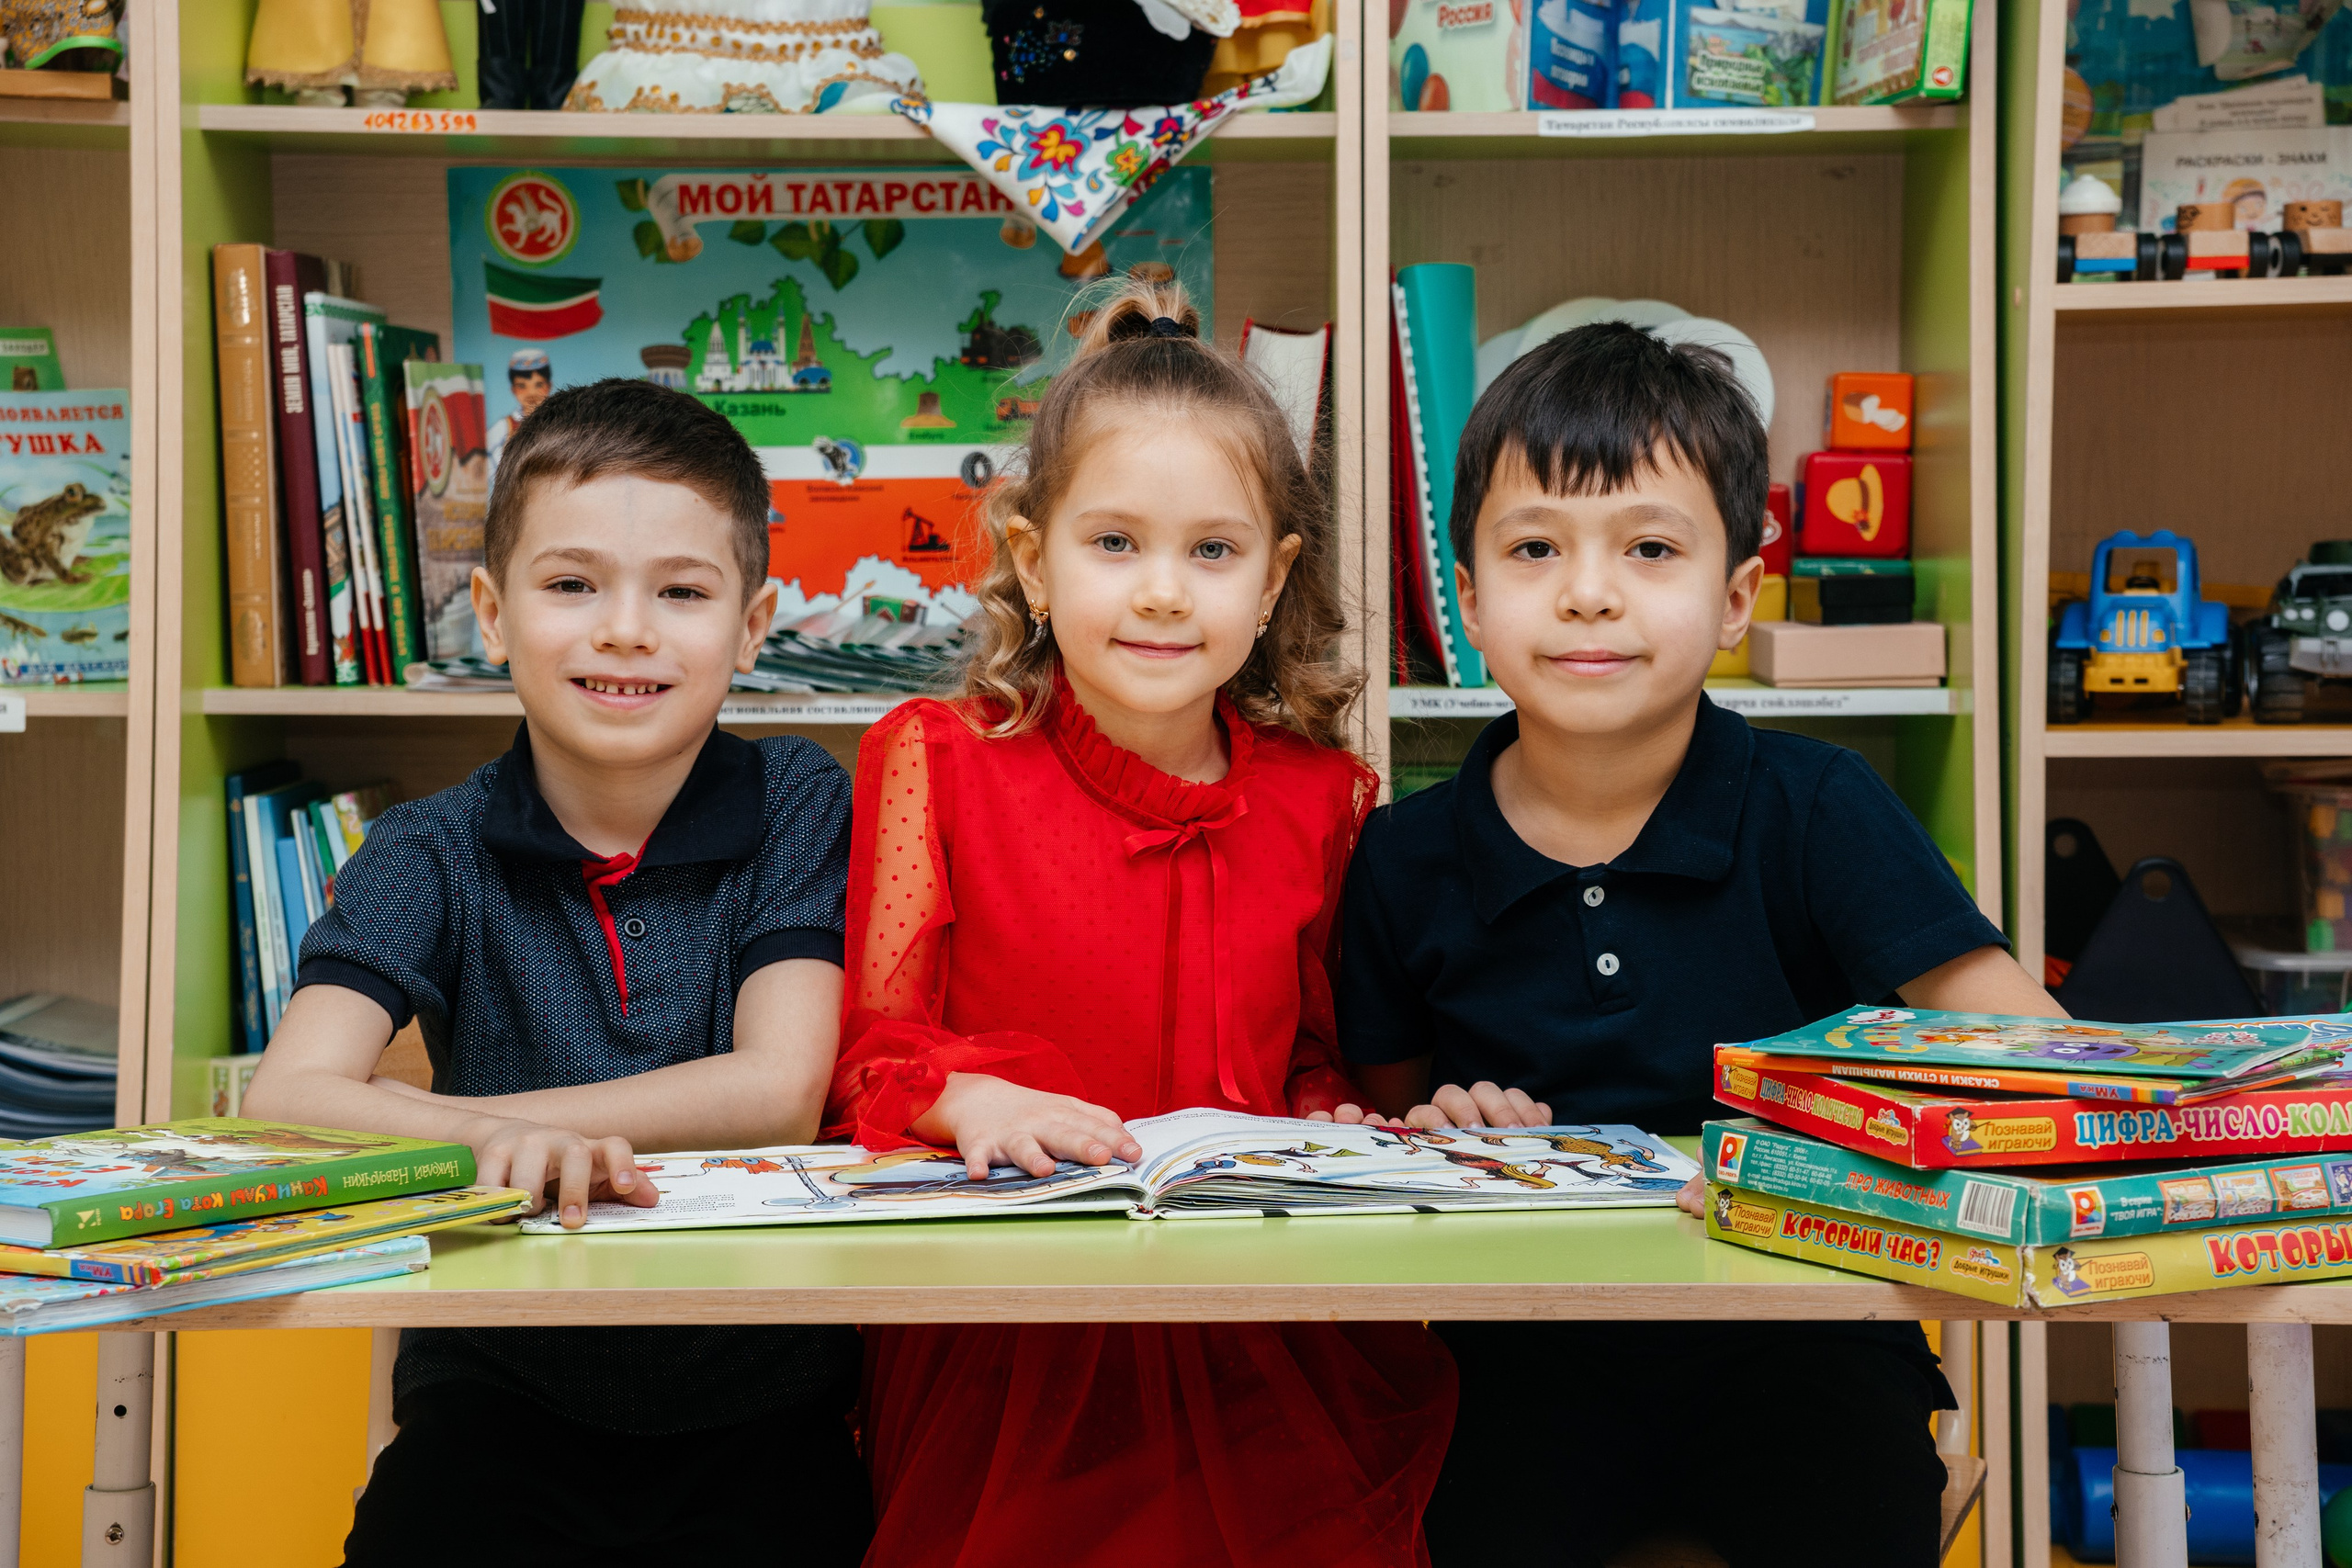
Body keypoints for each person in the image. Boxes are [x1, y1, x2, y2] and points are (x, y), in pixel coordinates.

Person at [1332, 323, 2064, 1568]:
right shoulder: (1402, 856)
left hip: (1808, 1342)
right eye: (1533, 548)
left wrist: (1840, 1134)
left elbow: (2039, 1057)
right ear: (1465, 593)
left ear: (1737, 596)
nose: (1589, 591)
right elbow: (1392, 1125)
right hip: (1518, 1354)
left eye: (1652, 548)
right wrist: (1452, 1130)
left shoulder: (1820, 807)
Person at [821, 279, 1456, 1568]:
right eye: (1115, 542)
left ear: (1275, 577)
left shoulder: (1323, 797)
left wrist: (1333, 1109)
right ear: (1026, 553)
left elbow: (1308, 1055)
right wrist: (979, 1102)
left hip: (1264, 1315)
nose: (1165, 592)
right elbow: (873, 1053)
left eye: (1213, 551)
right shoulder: (933, 758)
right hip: (1015, 1320)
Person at [241, 378, 870, 1566]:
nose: (625, 628)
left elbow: (779, 1083)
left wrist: (496, 1127)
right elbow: (287, 1096)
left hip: (763, 1402)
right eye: (572, 582)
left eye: (681, 591)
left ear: (752, 623)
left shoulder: (798, 797)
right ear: (489, 609)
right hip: (496, 1394)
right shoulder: (424, 845)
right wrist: (488, 1140)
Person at [486, 346, 554, 485]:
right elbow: (481, 456)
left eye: (538, 385)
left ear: (549, 386)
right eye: (522, 386)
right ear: (513, 390)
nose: (531, 393)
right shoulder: (506, 426)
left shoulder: (558, 422)